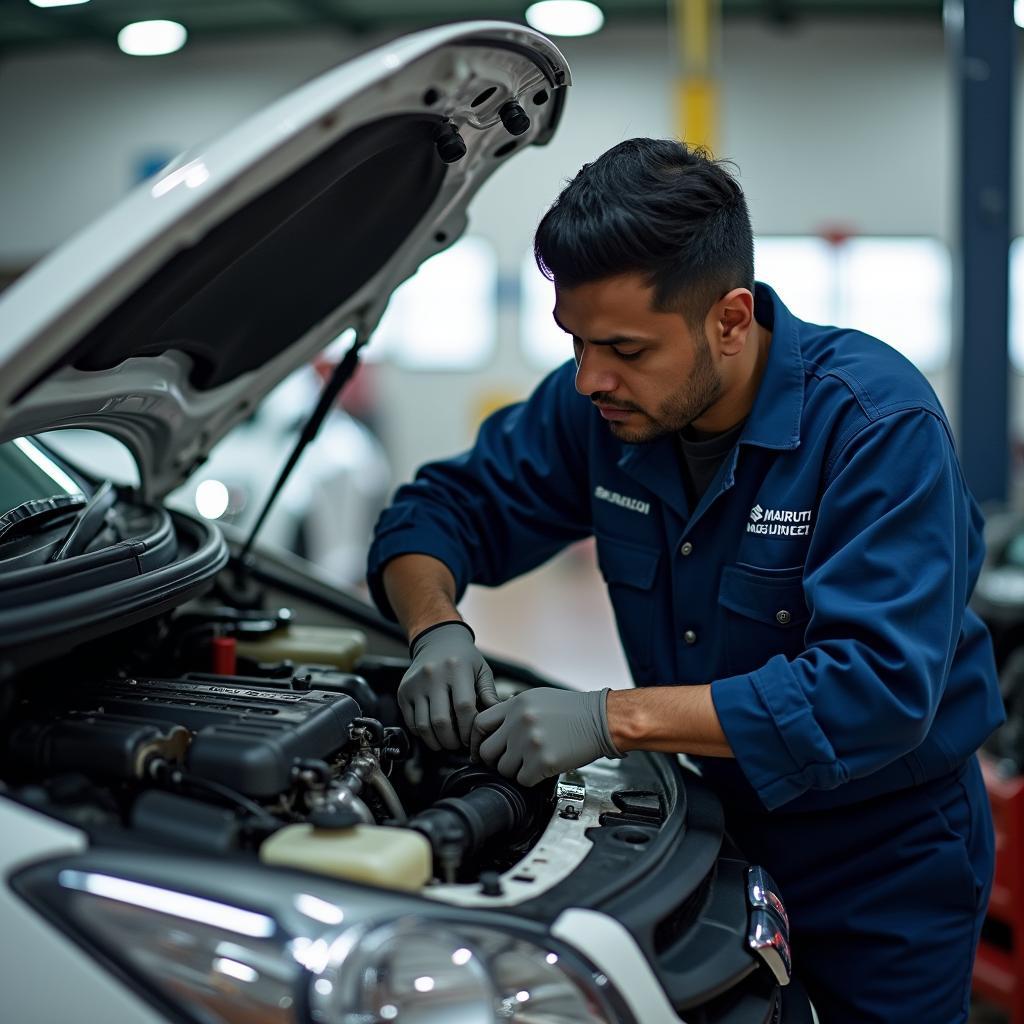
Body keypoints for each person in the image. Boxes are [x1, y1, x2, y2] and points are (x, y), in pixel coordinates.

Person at [366, 138, 1005, 1022]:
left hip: (883, 860)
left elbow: (876, 688)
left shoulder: (875, 428)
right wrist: (434, 625)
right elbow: (441, 510)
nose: (591, 377)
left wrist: (611, 719)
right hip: (709, 827)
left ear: (731, 319)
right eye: (577, 342)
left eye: (623, 347)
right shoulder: (599, 405)